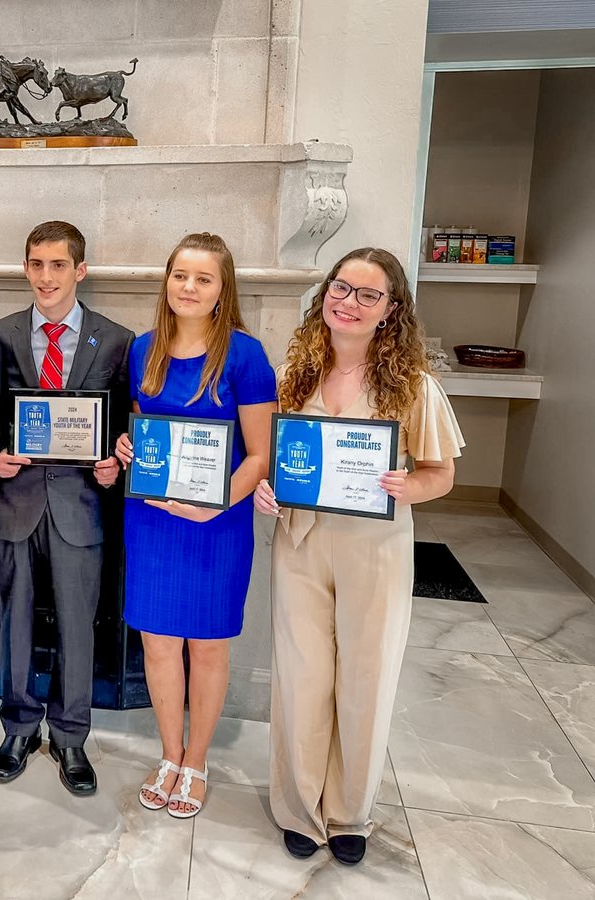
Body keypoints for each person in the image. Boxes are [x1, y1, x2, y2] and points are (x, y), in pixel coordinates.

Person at [255, 248, 463, 865]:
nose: (349, 302)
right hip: (300, 544)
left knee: (365, 682)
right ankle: (298, 807)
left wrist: (411, 486)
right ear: (325, 295)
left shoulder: (414, 387)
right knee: (302, 678)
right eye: (341, 289)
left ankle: (349, 813)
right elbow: (281, 460)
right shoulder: (296, 376)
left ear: (390, 310)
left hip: (376, 549)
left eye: (367, 295)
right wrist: (269, 489)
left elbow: (441, 473)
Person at [114, 232, 276, 819]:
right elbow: (140, 430)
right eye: (180, 275)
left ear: (221, 289)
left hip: (218, 523)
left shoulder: (245, 355)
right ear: (167, 281)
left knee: (207, 646)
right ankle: (168, 754)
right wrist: (128, 445)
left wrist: (217, 503)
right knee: (157, 643)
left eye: (203, 278)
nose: (188, 287)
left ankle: (197, 762)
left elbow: (262, 455)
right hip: (153, 521)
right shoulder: (142, 350)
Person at [0, 221, 132, 795]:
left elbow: (123, 424)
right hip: (14, 502)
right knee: (13, 621)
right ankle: (18, 727)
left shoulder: (115, 340)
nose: (46, 277)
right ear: (26, 269)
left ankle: (71, 736)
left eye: (58, 266)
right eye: (36, 265)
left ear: (80, 271)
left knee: (78, 624)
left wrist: (115, 462)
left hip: (81, 506)